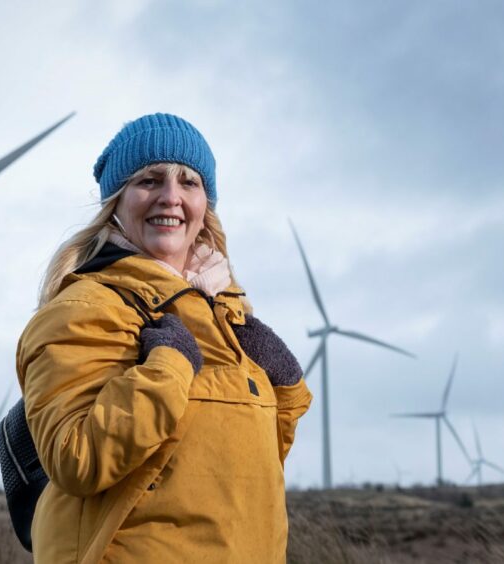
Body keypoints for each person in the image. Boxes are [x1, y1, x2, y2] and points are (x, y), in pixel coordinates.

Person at [16, 113, 312, 563]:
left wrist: (285, 395)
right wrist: (168, 369)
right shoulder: (84, 309)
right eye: (150, 181)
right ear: (116, 201)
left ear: (204, 206)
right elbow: (75, 457)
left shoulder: (226, 317)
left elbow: (240, 472)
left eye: (188, 182)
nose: (170, 197)